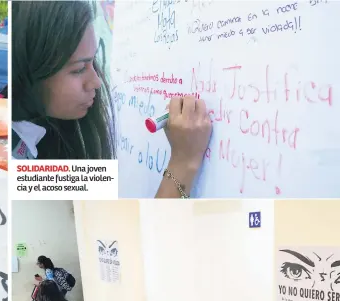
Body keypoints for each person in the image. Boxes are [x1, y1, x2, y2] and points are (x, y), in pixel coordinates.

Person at [11, 1, 211, 199]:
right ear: (29, 69)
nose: (96, 82)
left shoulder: (44, 133)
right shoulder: (11, 161)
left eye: (92, 62)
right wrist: (184, 162)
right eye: (79, 69)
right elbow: (155, 227)